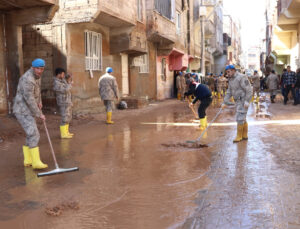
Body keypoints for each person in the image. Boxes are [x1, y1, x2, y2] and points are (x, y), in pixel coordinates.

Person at [13, 58, 48, 169]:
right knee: (34, 134)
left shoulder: (37, 77)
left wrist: (40, 102)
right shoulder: (27, 79)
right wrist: (39, 114)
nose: (39, 71)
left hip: (29, 110)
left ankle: (28, 160)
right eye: (37, 68)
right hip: (22, 110)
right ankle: (36, 162)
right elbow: (29, 99)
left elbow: (38, 91)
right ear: (33, 67)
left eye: (41, 69)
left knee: (30, 133)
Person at [222, 65, 252, 143]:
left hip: (243, 100)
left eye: (228, 72)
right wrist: (225, 101)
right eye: (226, 72)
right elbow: (229, 91)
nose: (227, 74)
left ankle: (239, 136)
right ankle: (244, 135)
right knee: (243, 118)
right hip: (237, 101)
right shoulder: (230, 79)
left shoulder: (241, 77)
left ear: (233, 70)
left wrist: (247, 101)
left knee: (240, 117)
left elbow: (249, 89)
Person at [53, 68, 74, 138]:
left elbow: (67, 78)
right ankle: (63, 134)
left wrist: (69, 76)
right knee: (64, 118)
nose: (64, 75)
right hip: (63, 102)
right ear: (59, 74)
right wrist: (70, 84)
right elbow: (65, 90)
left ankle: (66, 132)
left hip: (67, 102)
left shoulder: (62, 80)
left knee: (68, 117)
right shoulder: (56, 82)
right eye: (62, 74)